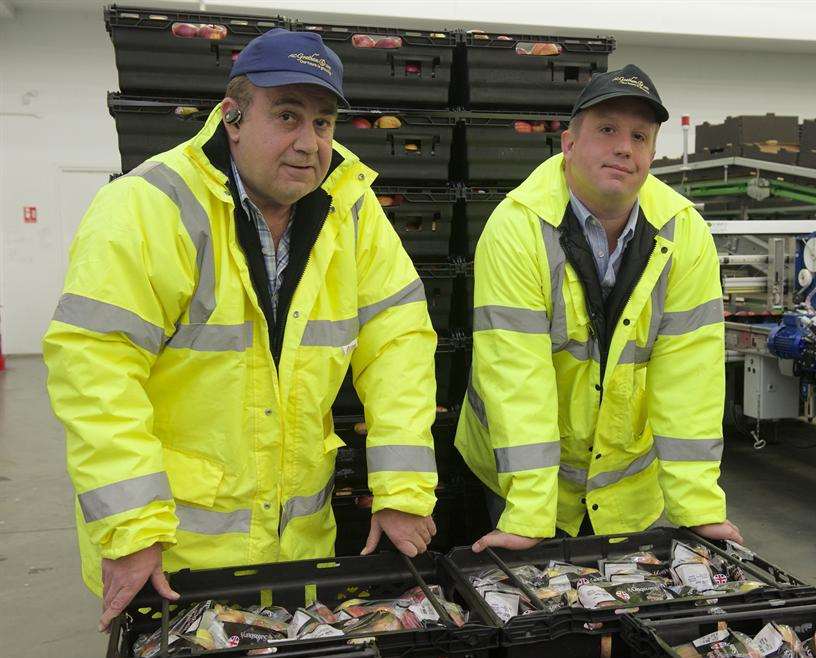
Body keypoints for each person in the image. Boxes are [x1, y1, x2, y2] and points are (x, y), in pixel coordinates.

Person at [43, 28, 439, 631]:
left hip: (299, 554)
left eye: (324, 123)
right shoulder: (151, 207)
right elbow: (96, 371)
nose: (309, 143)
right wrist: (131, 530)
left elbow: (400, 344)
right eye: (287, 116)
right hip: (177, 560)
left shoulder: (350, 211)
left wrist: (403, 489)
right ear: (232, 117)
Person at [455, 64, 742, 552]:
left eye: (639, 136)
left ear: (653, 151)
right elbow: (515, 377)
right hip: (519, 474)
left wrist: (698, 508)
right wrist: (528, 512)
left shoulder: (683, 231)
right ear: (568, 143)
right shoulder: (517, 227)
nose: (624, 148)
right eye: (607, 130)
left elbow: (690, 378)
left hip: (627, 483)